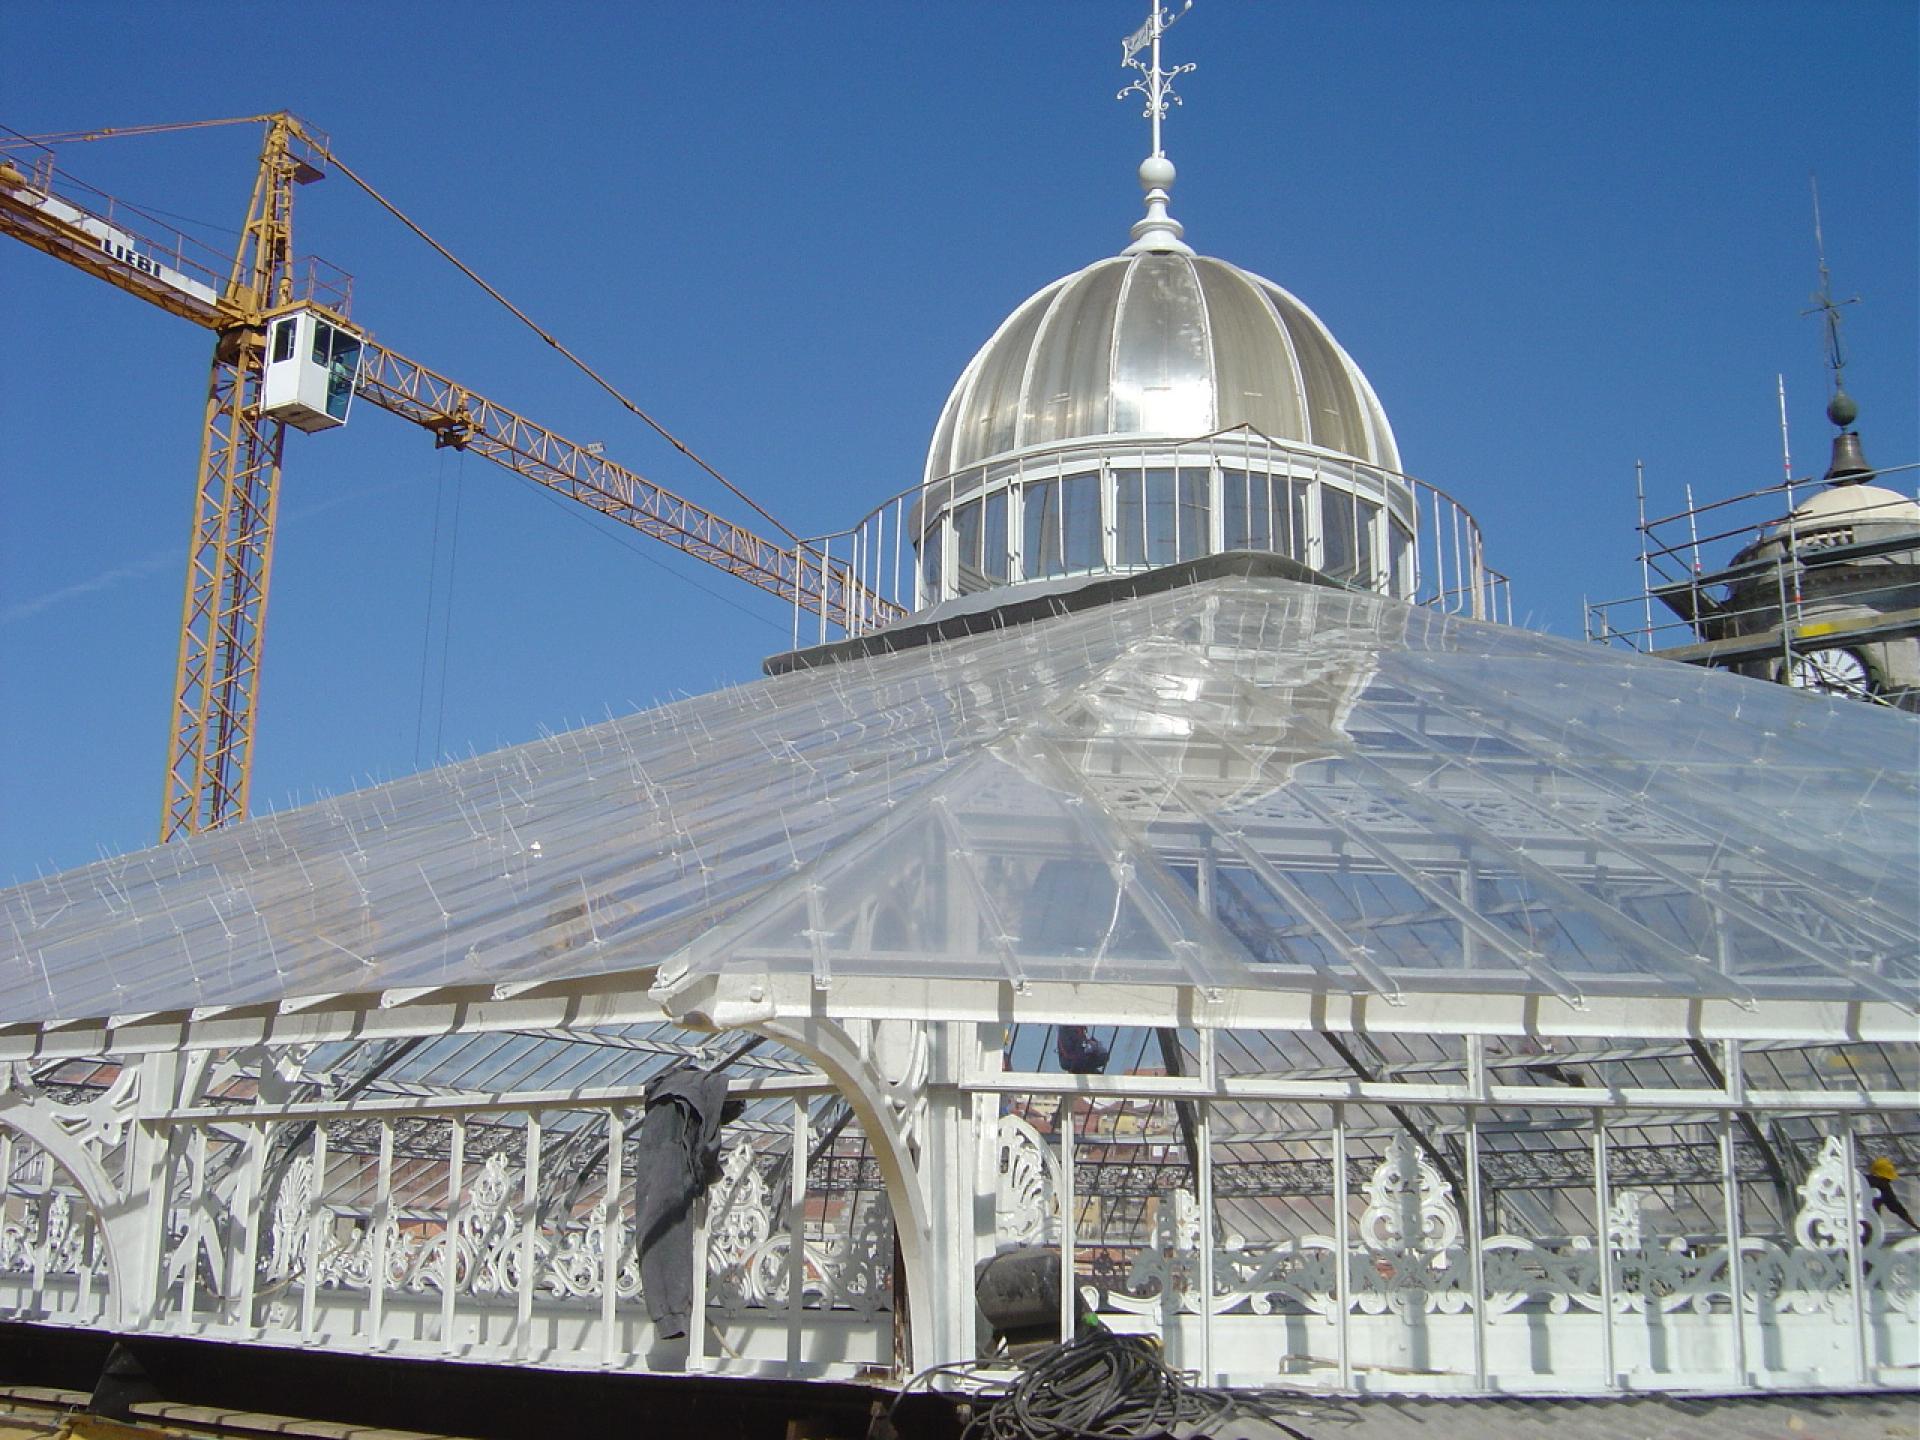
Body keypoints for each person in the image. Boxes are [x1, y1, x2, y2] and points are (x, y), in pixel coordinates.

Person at [1868, 1156, 1918, 1232]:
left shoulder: (1883, 1189)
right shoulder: (1882, 1188)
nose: (1889, 1182)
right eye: (1887, 1179)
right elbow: (1898, 1209)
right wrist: (1915, 1226)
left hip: (1868, 1226)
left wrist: (1915, 1226)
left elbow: (1898, 1208)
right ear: (1881, 1178)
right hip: (1865, 1225)